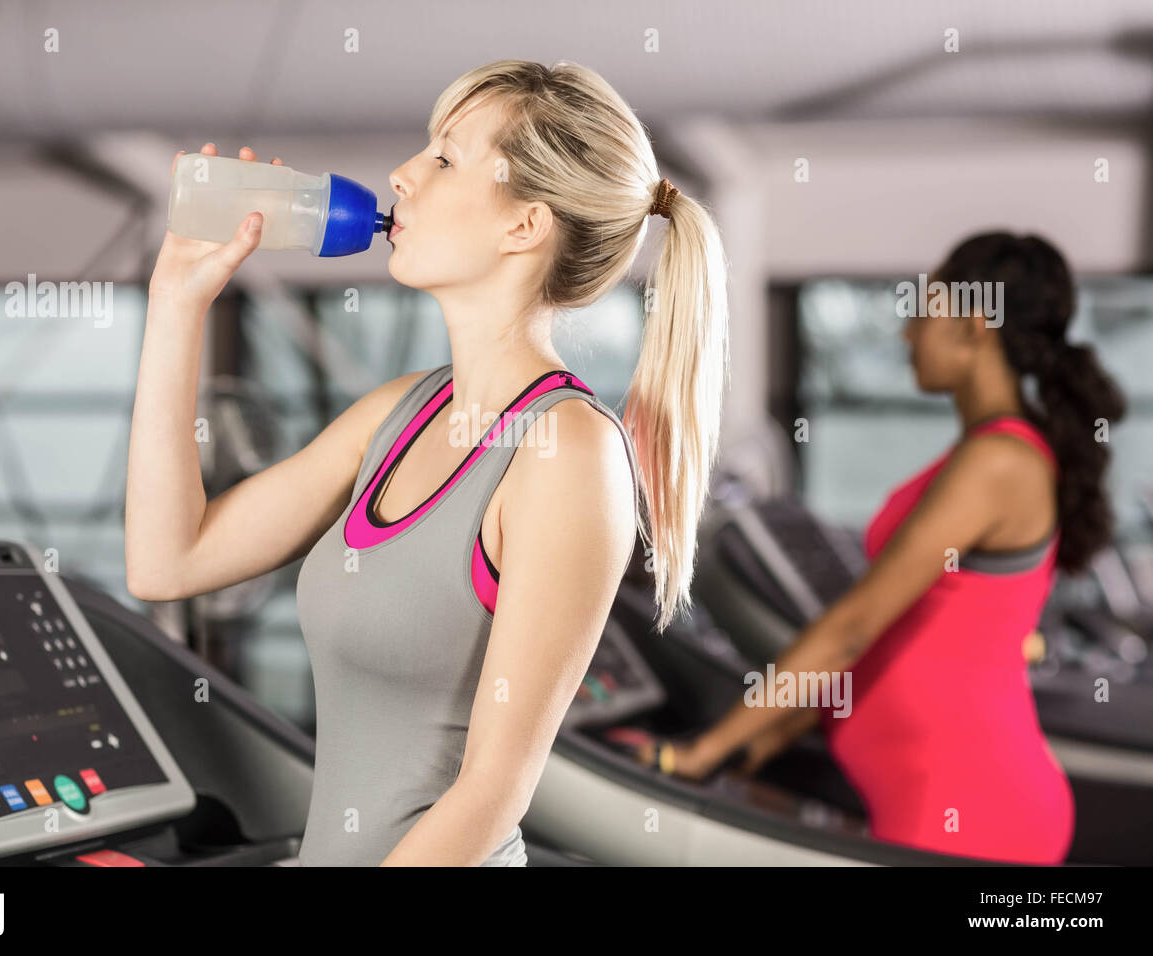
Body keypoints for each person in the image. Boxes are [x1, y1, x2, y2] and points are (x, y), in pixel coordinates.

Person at [125, 59, 728, 865]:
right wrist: (176, 304)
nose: (403, 176)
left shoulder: (568, 455)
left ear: (524, 225)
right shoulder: (401, 412)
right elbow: (169, 559)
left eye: (445, 158)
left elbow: (490, 794)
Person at [638, 231, 1127, 865]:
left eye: (922, 312)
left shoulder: (998, 463)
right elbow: (903, 639)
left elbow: (853, 626)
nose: (908, 335)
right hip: (938, 801)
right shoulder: (986, 455)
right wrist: (757, 741)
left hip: (970, 811)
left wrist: (703, 751)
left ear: (974, 323)